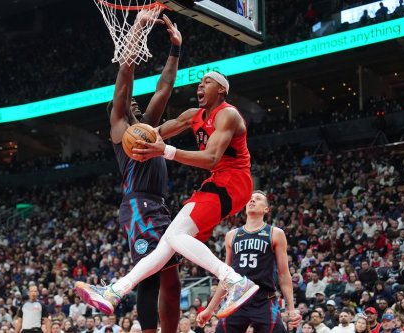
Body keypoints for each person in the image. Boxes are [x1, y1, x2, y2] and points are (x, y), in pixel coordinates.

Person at [76, 66, 267, 318]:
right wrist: (139, 136)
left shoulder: (227, 115)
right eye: (199, 83)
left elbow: (210, 158)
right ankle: (115, 290)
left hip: (233, 181)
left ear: (221, 90)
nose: (200, 86)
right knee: (168, 242)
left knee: (173, 236)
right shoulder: (194, 115)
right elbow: (159, 131)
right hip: (218, 181)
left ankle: (234, 280)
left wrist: (165, 151)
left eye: (207, 82)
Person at [98, 12, 182, 333]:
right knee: (149, 278)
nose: (133, 101)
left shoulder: (145, 126)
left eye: (135, 102)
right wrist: (137, 28)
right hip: (137, 207)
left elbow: (165, 88)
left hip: (157, 204)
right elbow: (125, 73)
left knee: (171, 277)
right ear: (117, 112)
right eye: (127, 102)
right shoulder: (120, 128)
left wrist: (175, 49)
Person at [196, 191, 301, 332]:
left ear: (266, 209)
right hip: (237, 299)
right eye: (250, 199)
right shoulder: (232, 235)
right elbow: (225, 277)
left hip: (264, 299)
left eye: (257, 199)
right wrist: (209, 309)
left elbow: (283, 274)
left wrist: (291, 308)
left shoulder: (275, 233)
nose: (252, 201)